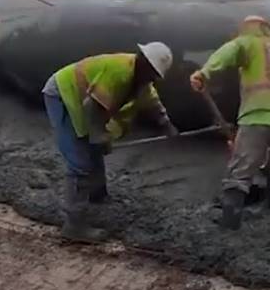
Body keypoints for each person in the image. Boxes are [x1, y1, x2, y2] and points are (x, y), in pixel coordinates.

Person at [41, 42, 179, 241]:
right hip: (63, 94)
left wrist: (166, 124)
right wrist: (100, 136)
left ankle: (97, 197)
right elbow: (92, 108)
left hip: (84, 102)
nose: (151, 78)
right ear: (141, 59)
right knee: (79, 162)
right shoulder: (120, 72)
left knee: (94, 149)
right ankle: (74, 226)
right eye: (150, 72)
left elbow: (151, 99)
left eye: (155, 75)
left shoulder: (141, 79)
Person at [190, 15, 270, 230]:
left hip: (258, 111)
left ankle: (229, 227)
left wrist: (204, 72)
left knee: (240, 170)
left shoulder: (249, 42)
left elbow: (228, 51)